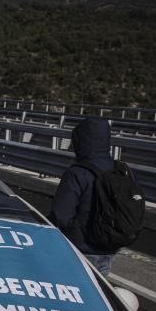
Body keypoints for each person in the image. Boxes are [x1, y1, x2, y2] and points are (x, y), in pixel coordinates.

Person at [49, 116, 121, 276]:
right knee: (99, 291)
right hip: (109, 248)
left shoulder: (78, 173)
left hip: (81, 247)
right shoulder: (120, 171)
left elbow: (61, 216)